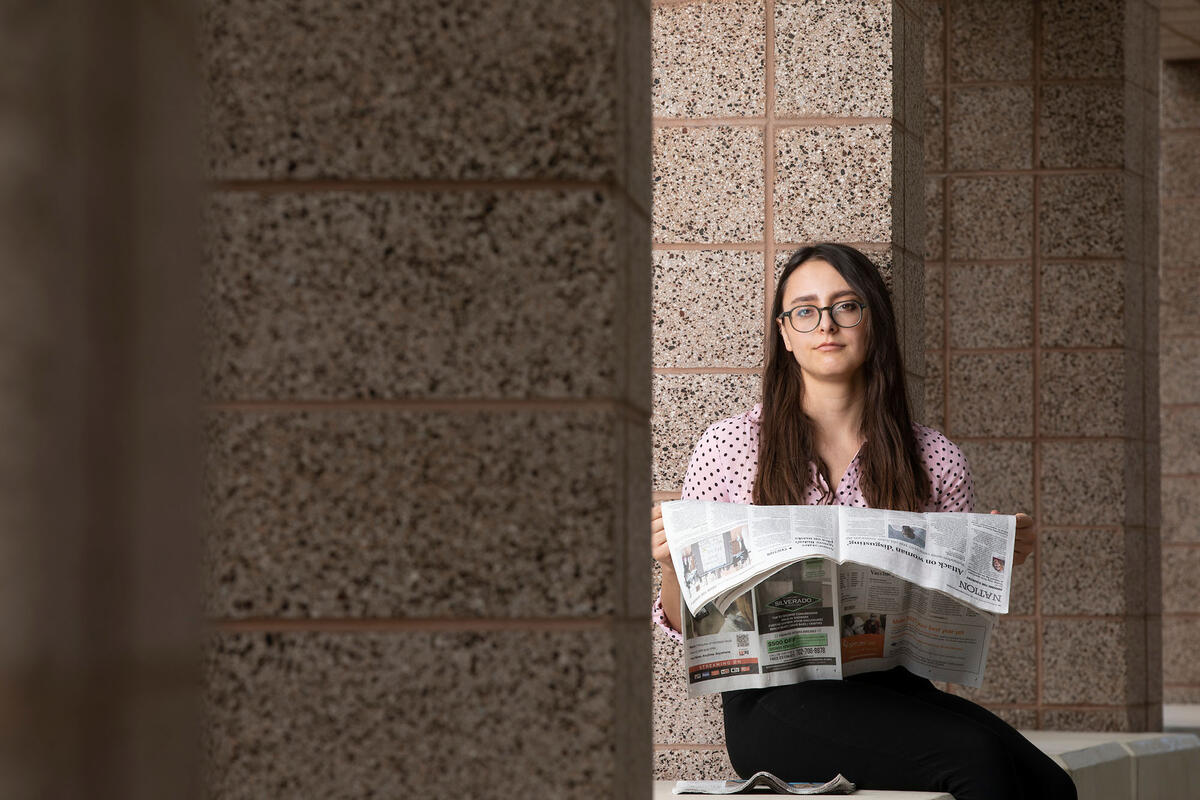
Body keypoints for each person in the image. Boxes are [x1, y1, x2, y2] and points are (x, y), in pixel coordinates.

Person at [649, 244, 1074, 800]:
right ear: (785, 333)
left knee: (1051, 786)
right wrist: (671, 565)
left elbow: (950, 618)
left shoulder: (934, 457)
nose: (826, 325)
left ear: (873, 321)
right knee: (977, 759)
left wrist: (992, 559)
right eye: (805, 311)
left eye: (845, 306)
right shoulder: (731, 447)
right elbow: (688, 626)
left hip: (890, 689)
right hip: (774, 699)